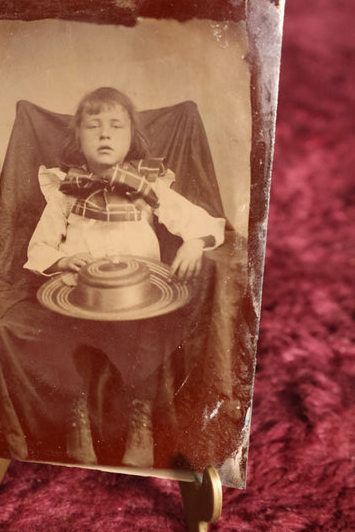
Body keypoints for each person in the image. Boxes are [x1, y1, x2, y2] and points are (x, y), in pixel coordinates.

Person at [16, 87, 225, 468]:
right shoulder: (66, 190)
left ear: (132, 138)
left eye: (116, 126)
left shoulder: (149, 186)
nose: (105, 134)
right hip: (82, 296)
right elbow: (39, 249)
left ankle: (140, 418)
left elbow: (206, 224)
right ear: (78, 139)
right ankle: (77, 417)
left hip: (138, 299)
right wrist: (64, 262)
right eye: (93, 127)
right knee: (64, 339)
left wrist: (194, 243)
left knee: (147, 339)